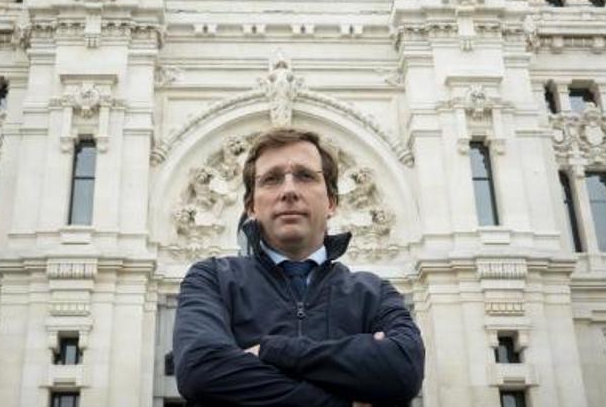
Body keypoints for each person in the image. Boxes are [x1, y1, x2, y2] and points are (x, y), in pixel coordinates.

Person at [173, 127, 425, 406]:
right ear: (251, 207)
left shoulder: (374, 292)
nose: (289, 190)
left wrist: (272, 350)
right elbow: (201, 371)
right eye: (271, 179)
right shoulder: (211, 279)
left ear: (331, 202)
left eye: (305, 176)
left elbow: (404, 370)